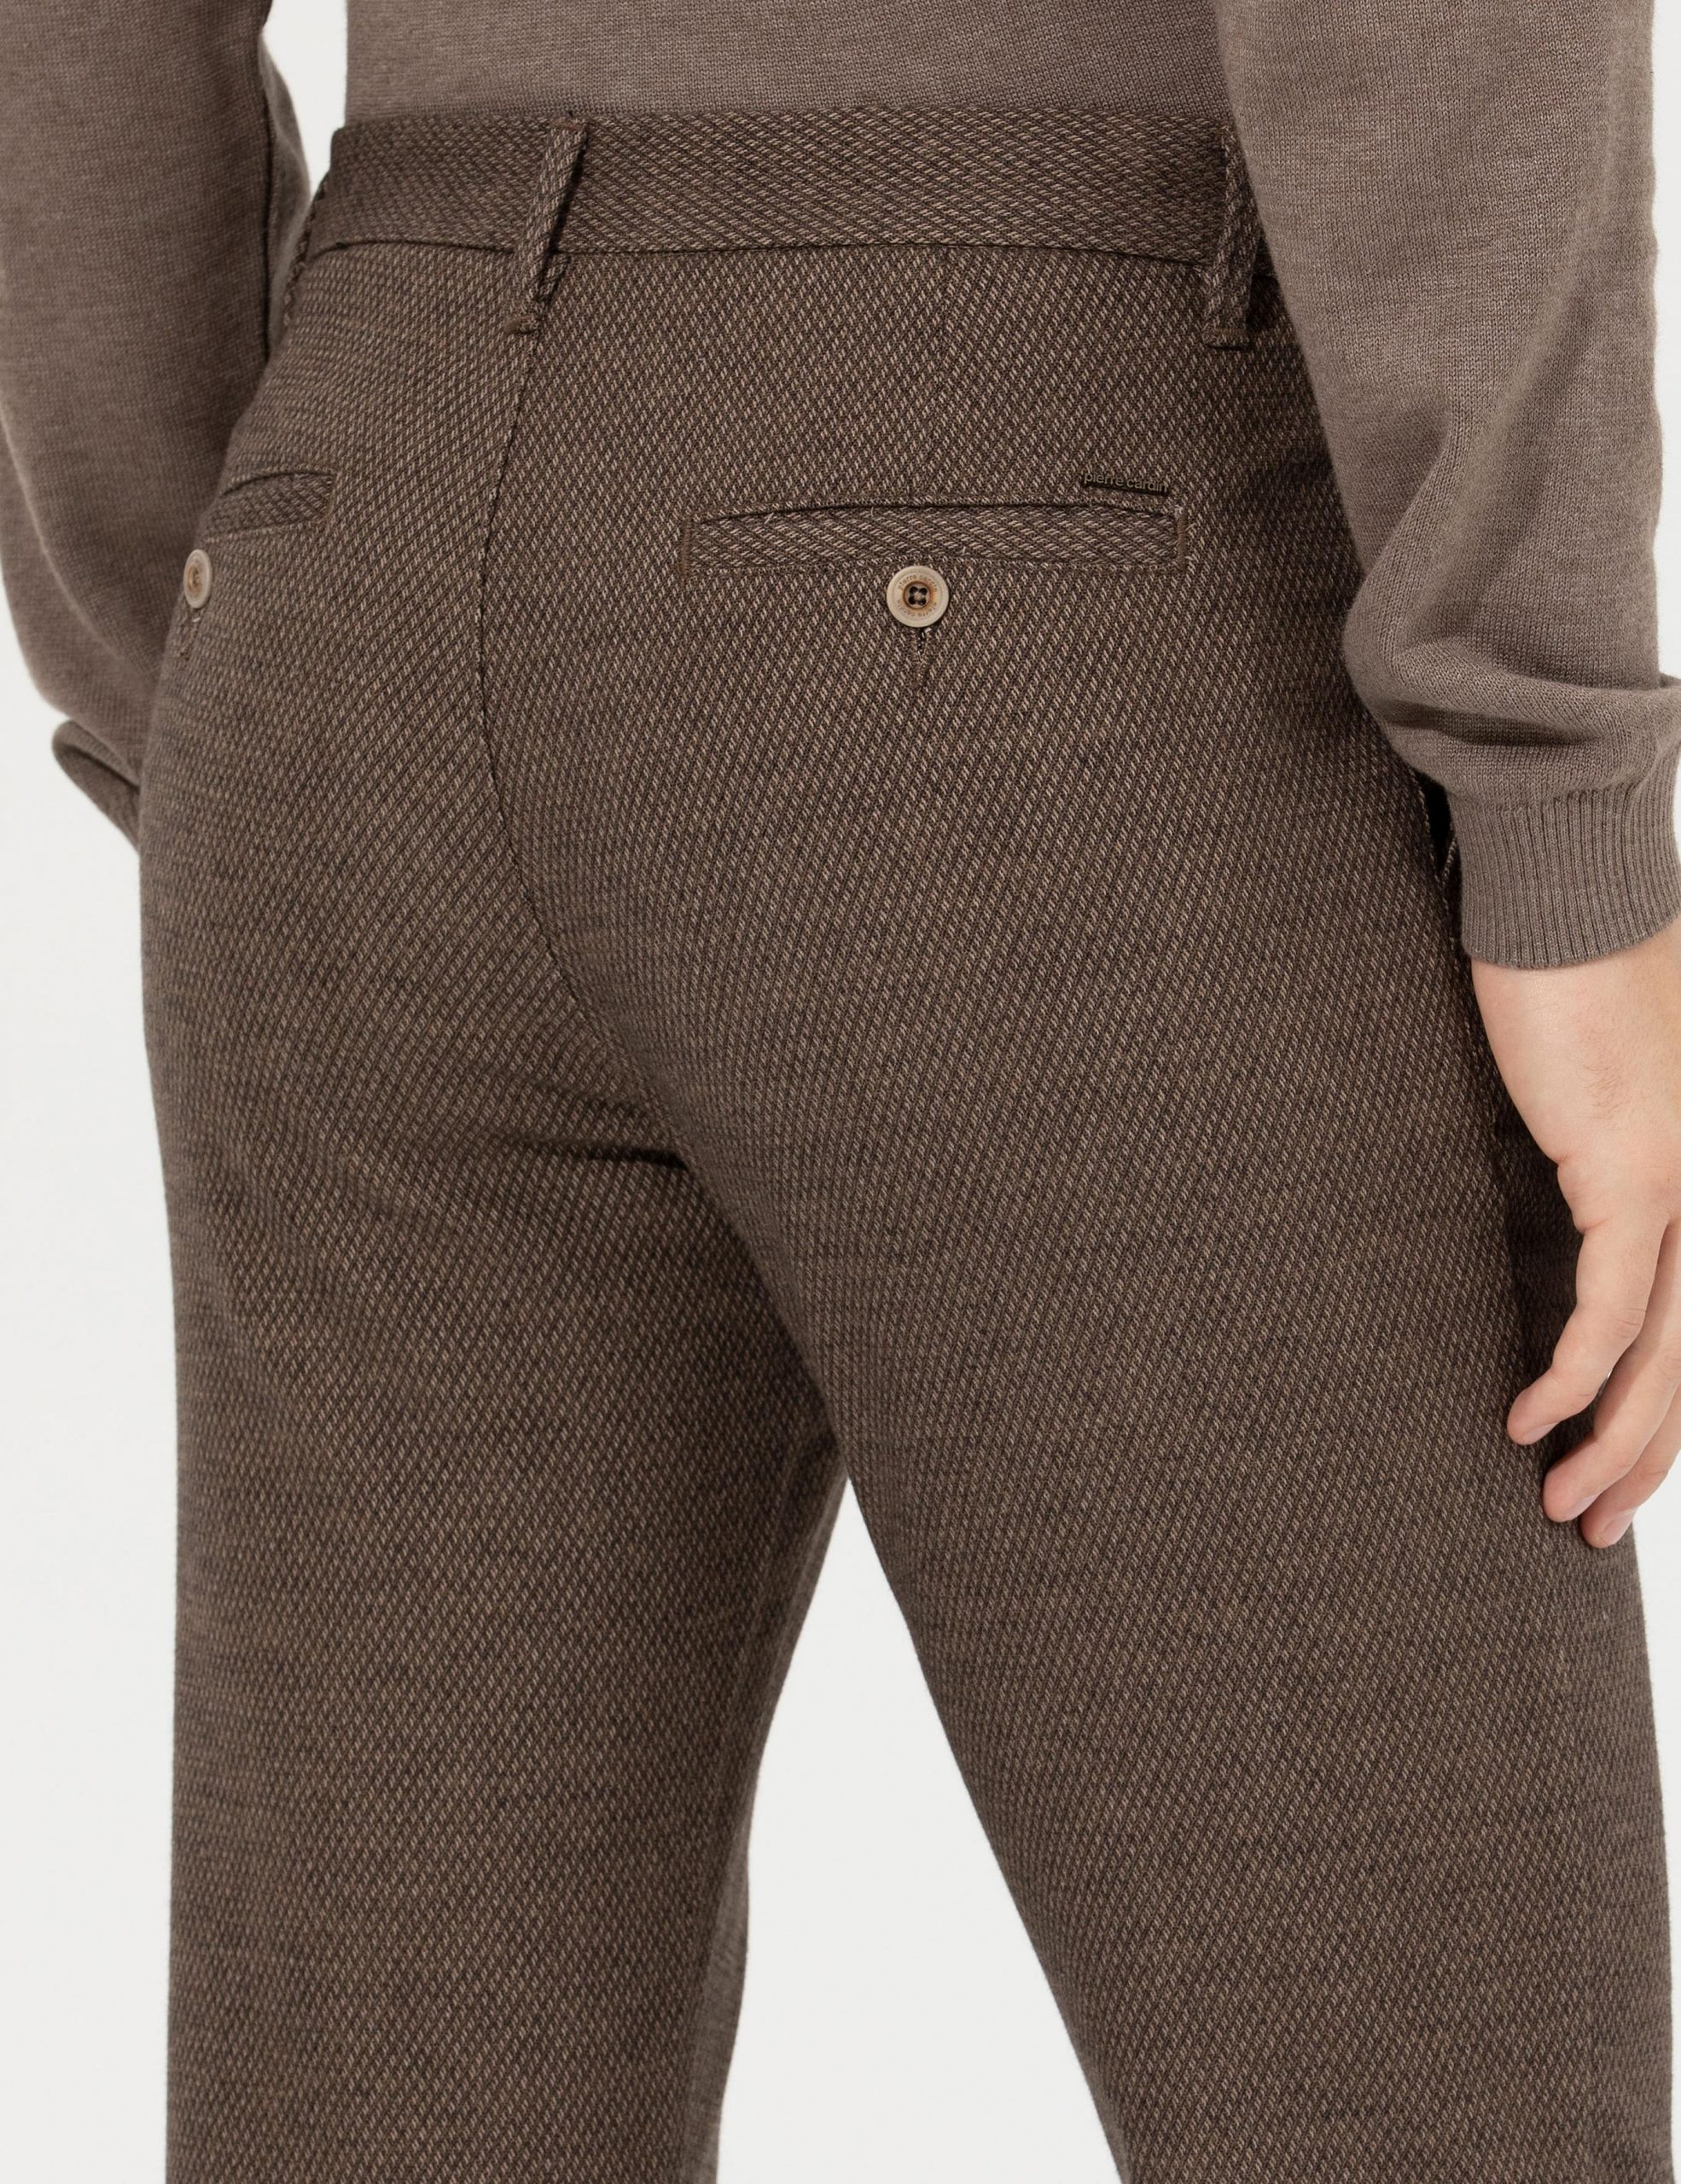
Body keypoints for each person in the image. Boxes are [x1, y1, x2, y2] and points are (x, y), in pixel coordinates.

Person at [3, 3, 1678, 2178]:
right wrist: (1556, 815)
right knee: (1422, 2110)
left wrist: (228, 648)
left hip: (353, 535)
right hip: (1056, 515)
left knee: (393, 2107)